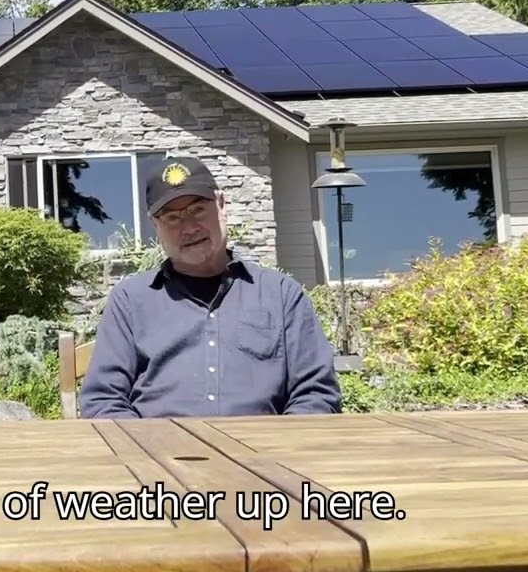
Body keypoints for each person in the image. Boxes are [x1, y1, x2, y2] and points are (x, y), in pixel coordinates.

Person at [79, 156, 341, 419]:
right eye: (172, 217)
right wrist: (150, 443)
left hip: (261, 444)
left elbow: (316, 394)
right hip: (157, 444)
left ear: (222, 205)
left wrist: (276, 442)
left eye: (198, 210)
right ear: (155, 225)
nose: (189, 228)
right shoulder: (130, 301)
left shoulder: (282, 295)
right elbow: (104, 400)